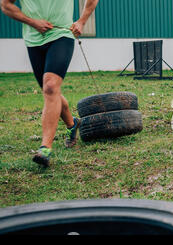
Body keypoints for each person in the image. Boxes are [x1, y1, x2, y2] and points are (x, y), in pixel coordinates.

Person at [1, 0, 99, 167]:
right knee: (51, 93)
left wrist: (82, 21)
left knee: (50, 86)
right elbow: (5, 5)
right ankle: (72, 123)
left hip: (61, 35)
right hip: (33, 40)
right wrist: (32, 22)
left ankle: (45, 148)